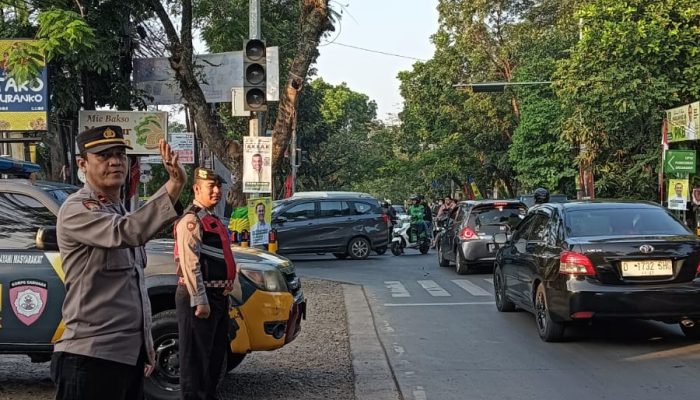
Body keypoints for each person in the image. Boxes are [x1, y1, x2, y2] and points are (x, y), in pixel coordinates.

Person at [53, 126, 186, 400]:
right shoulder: (77, 209)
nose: (115, 162)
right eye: (103, 156)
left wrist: (146, 347)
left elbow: (133, 290)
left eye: (120, 155)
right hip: (90, 358)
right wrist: (173, 187)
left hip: (127, 359)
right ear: (82, 163)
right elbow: (127, 231)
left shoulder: (119, 210)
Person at [174, 167, 237, 400]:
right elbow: (190, 263)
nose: (217, 191)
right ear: (196, 189)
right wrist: (200, 299)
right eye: (212, 187)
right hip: (199, 298)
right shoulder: (191, 220)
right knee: (196, 361)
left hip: (217, 296)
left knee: (214, 357)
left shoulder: (211, 218)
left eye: (219, 186)